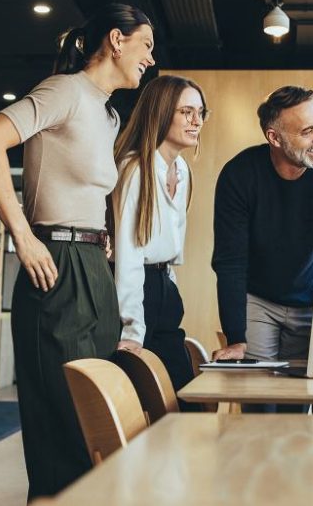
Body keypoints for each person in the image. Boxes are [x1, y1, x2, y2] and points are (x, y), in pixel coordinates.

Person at [0, 4, 155, 499]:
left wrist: (98, 234)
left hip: (93, 267)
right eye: (146, 46)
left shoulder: (109, 114)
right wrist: (23, 237)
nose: (150, 60)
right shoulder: (64, 90)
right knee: (64, 432)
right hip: (56, 266)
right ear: (117, 39)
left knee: (98, 425)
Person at [211, 86, 313, 361]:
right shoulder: (239, 175)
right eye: (308, 131)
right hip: (258, 300)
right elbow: (230, 260)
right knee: (258, 396)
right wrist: (235, 337)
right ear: (274, 137)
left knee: (303, 394)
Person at [112, 75, 207, 404]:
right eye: (186, 112)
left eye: (200, 112)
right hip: (136, 293)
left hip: (164, 287)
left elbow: (171, 249)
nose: (196, 121)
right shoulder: (135, 168)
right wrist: (133, 330)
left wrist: (171, 290)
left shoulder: (181, 169)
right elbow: (128, 255)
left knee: (181, 397)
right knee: (143, 401)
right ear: (161, 112)